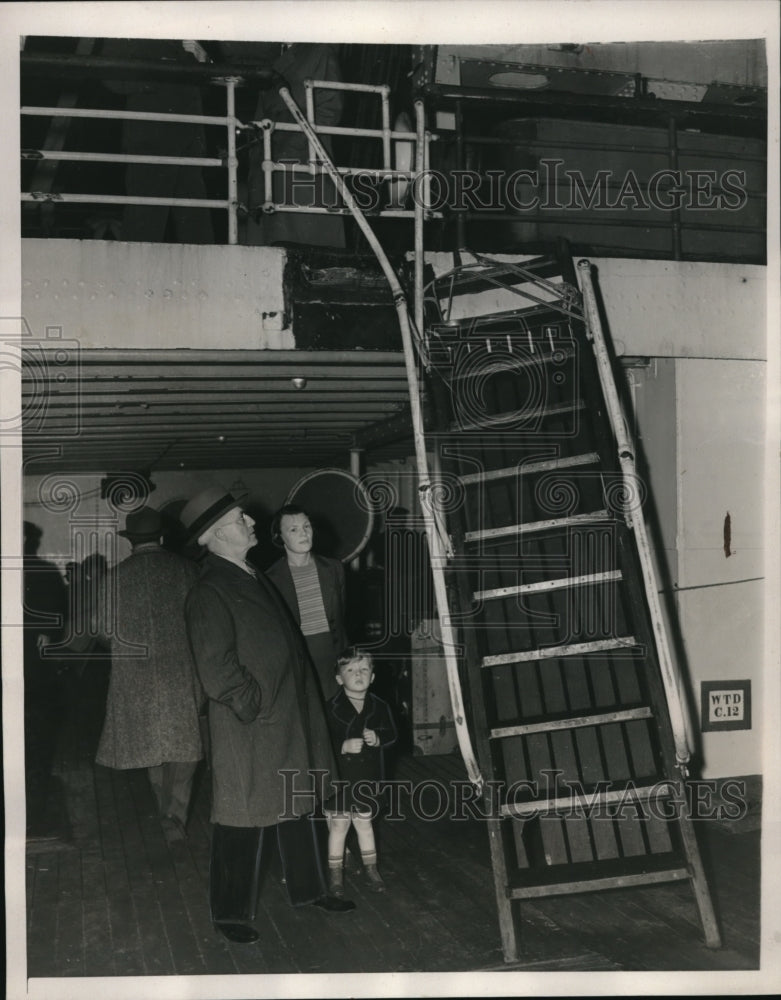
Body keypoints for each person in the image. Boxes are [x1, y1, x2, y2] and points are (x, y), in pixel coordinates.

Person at [180, 486, 354, 945]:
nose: (252, 523)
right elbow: (217, 669)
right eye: (241, 520)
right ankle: (230, 913)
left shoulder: (250, 574)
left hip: (287, 715)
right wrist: (253, 704)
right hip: (252, 725)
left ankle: (311, 890)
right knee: (243, 815)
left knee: (298, 804)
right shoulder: (210, 588)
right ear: (215, 535)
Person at [95, 507, 204, 843]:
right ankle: (175, 814)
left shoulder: (112, 578)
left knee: (151, 747)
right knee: (185, 749)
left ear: (132, 542)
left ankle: (166, 813)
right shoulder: (188, 570)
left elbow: (102, 631)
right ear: (161, 537)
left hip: (137, 677)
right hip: (182, 673)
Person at [246, 42, 346, 248]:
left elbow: (329, 109)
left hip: (302, 168)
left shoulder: (319, 51)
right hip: (271, 167)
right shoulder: (276, 57)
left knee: (303, 246)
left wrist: (288, 146)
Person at [323, 648, 397, 896]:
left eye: (364, 669)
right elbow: (320, 742)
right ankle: (335, 876)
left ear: (372, 677)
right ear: (338, 679)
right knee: (339, 825)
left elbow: (392, 734)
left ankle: (371, 869)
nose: (358, 674)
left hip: (367, 777)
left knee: (365, 824)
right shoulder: (329, 708)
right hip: (339, 779)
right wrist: (342, 746)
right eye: (350, 670)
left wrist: (378, 738)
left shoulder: (380, 706)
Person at [266, 504, 347, 702]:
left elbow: (343, 616)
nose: (303, 533)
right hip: (299, 661)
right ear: (279, 537)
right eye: (293, 529)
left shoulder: (334, 568)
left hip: (334, 657)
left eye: (306, 526)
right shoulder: (271, 579)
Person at [23, 521, 68, 838]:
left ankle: (31, 815)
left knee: (35, 745)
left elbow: (58, 615)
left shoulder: (45, 573)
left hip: (34, 676)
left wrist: (47, 633)